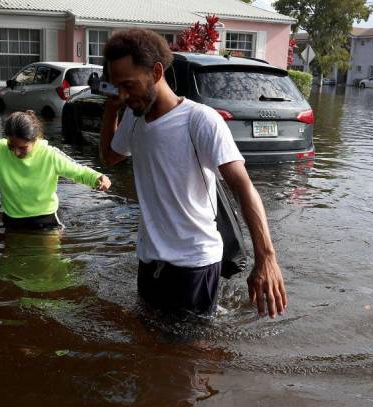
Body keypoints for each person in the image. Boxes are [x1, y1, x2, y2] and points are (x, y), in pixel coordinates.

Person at [99, 29, 287, 318]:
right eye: (117, 86)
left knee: (192, 355)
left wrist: (266, 258)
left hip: (194, 263)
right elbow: (110, 157)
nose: (123, 94)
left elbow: (243, 186)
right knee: (150, 339)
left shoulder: (200, 121)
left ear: (157, 71)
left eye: (129, 85)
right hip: (150, 258)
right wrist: (111, 111)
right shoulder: (134, 119)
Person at [0, 110, 111, 230]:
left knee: (50, 266)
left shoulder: (49, 155)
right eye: (11, 145)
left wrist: (97, 178)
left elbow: (78, 171)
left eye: (22, 148)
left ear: (35, 140)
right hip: (11, 220)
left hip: (45, 221)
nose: (15, 152)